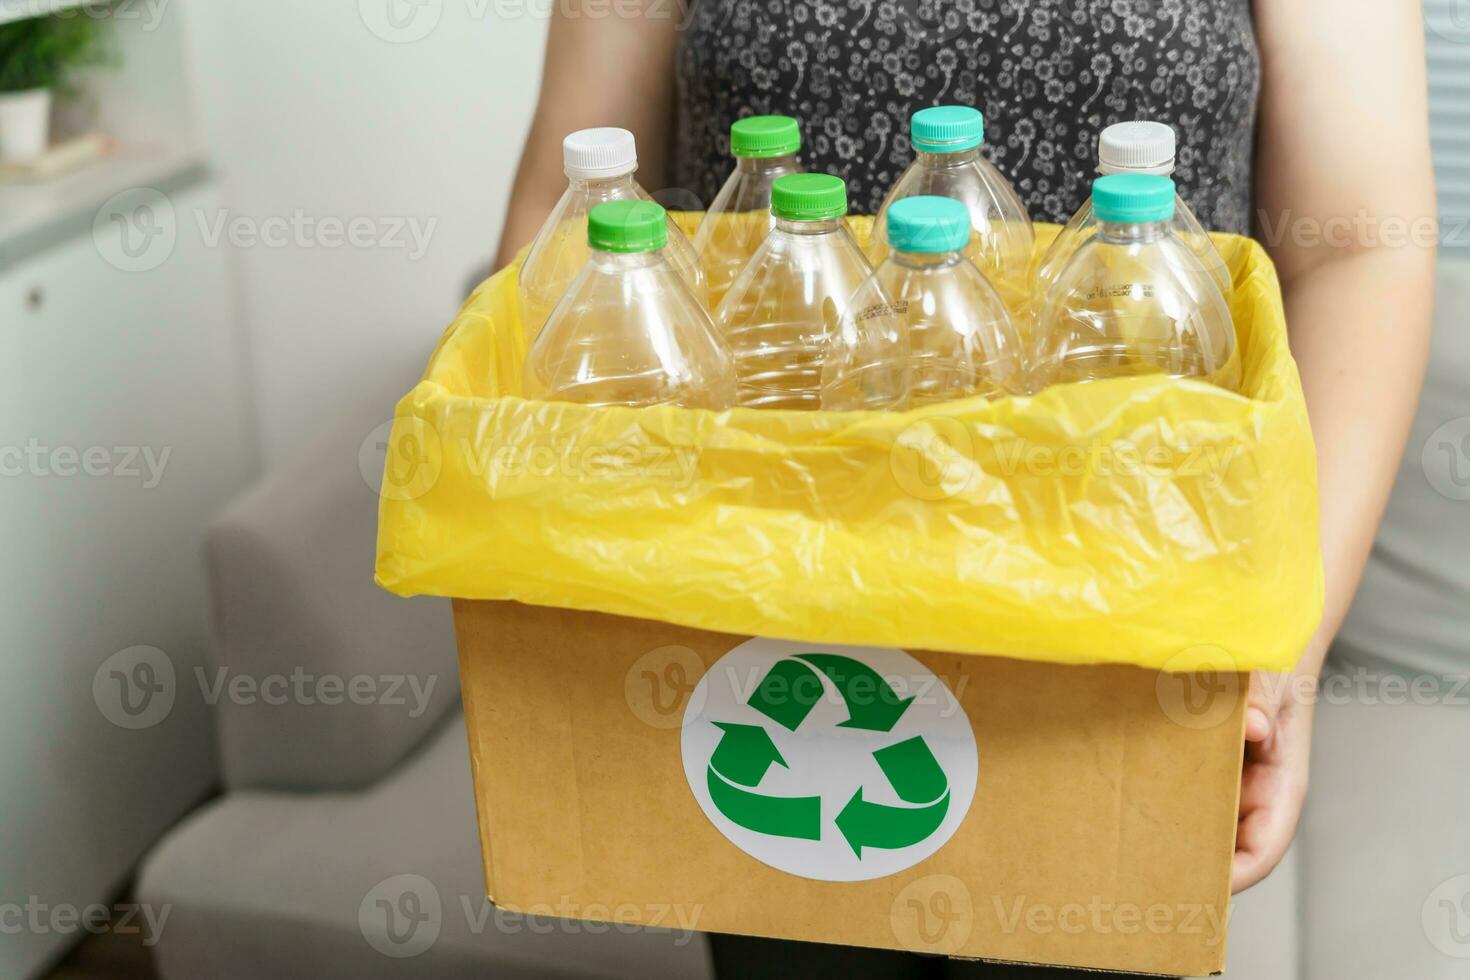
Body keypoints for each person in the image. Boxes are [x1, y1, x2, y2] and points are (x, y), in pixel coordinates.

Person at [494, 1, 1435, 976]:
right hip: (770, 614)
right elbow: (563, 212)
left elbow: (1359, 246)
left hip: (1121, 619)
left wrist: (1288, 638)